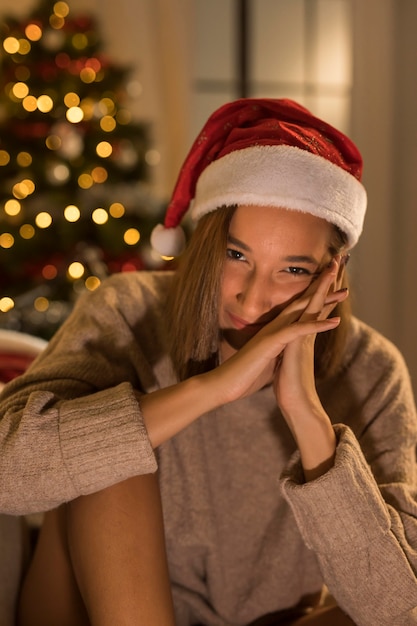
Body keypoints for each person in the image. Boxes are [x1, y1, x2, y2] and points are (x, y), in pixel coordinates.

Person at [0, 98, 416, 626]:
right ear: (204, 244)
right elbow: (7, 474)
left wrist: (310, 421)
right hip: (91, 613)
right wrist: (210, 390)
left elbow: (398, 611)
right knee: (112, 451)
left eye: (292, 269)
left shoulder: (372, 370)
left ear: (333, 275)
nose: (251, 301)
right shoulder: (128, 310)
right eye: (236, 256)